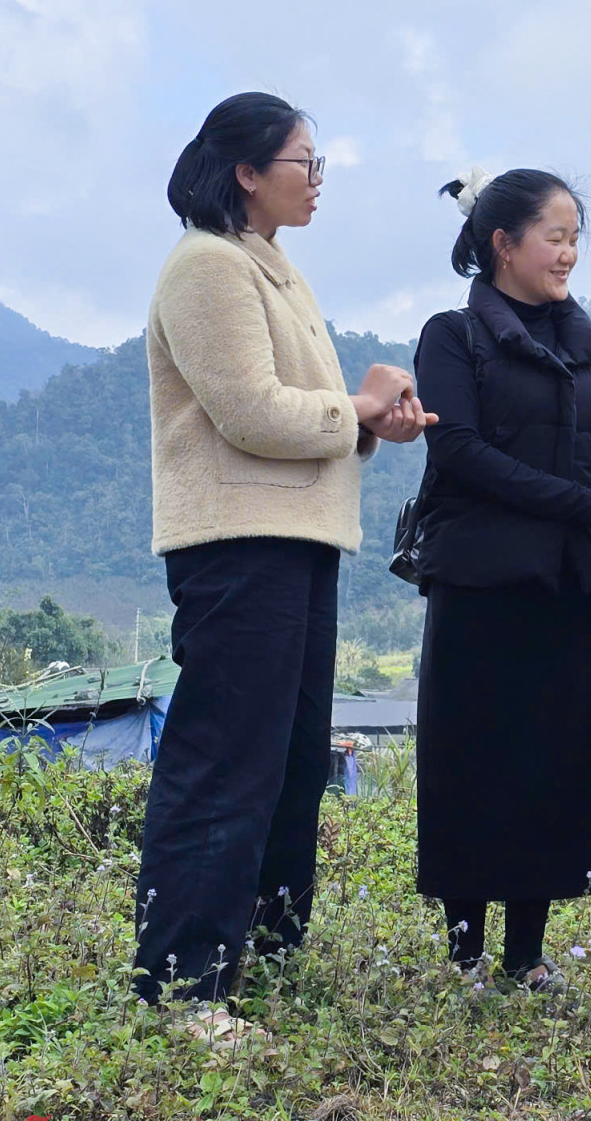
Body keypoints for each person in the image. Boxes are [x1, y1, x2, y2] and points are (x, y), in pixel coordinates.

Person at [133, 92, 434, 1014]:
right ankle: (184, 981)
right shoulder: (207, 267)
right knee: (227, 756)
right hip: (237, 543)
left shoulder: (272, 269)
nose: (316, 181)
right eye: (304, 163)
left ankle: (261, 955)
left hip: (298, 538)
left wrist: (370, 416)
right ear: (247, 172)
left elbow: (297, 410)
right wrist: (360, 408)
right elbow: (252, 412)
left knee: (292, 756)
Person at [411, 166, 591, 991]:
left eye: (575, 238)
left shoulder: (588, 342)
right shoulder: (451, 338)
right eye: (553, 237)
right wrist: (578, 502)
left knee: (552, 763)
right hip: (483, 583)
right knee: (474, 758)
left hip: (573, 586)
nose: (568, 253)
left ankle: (526, 954)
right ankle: (465, 951)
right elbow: (456, 448)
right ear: (503, 244)